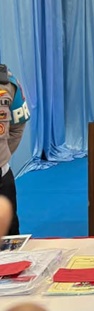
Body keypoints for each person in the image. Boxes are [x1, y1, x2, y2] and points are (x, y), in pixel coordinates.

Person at [0, 64, 30, 236]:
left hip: (2, 179)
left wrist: (2, 156)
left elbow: (17, 127)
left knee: (9, 239)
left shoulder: (8, 84)